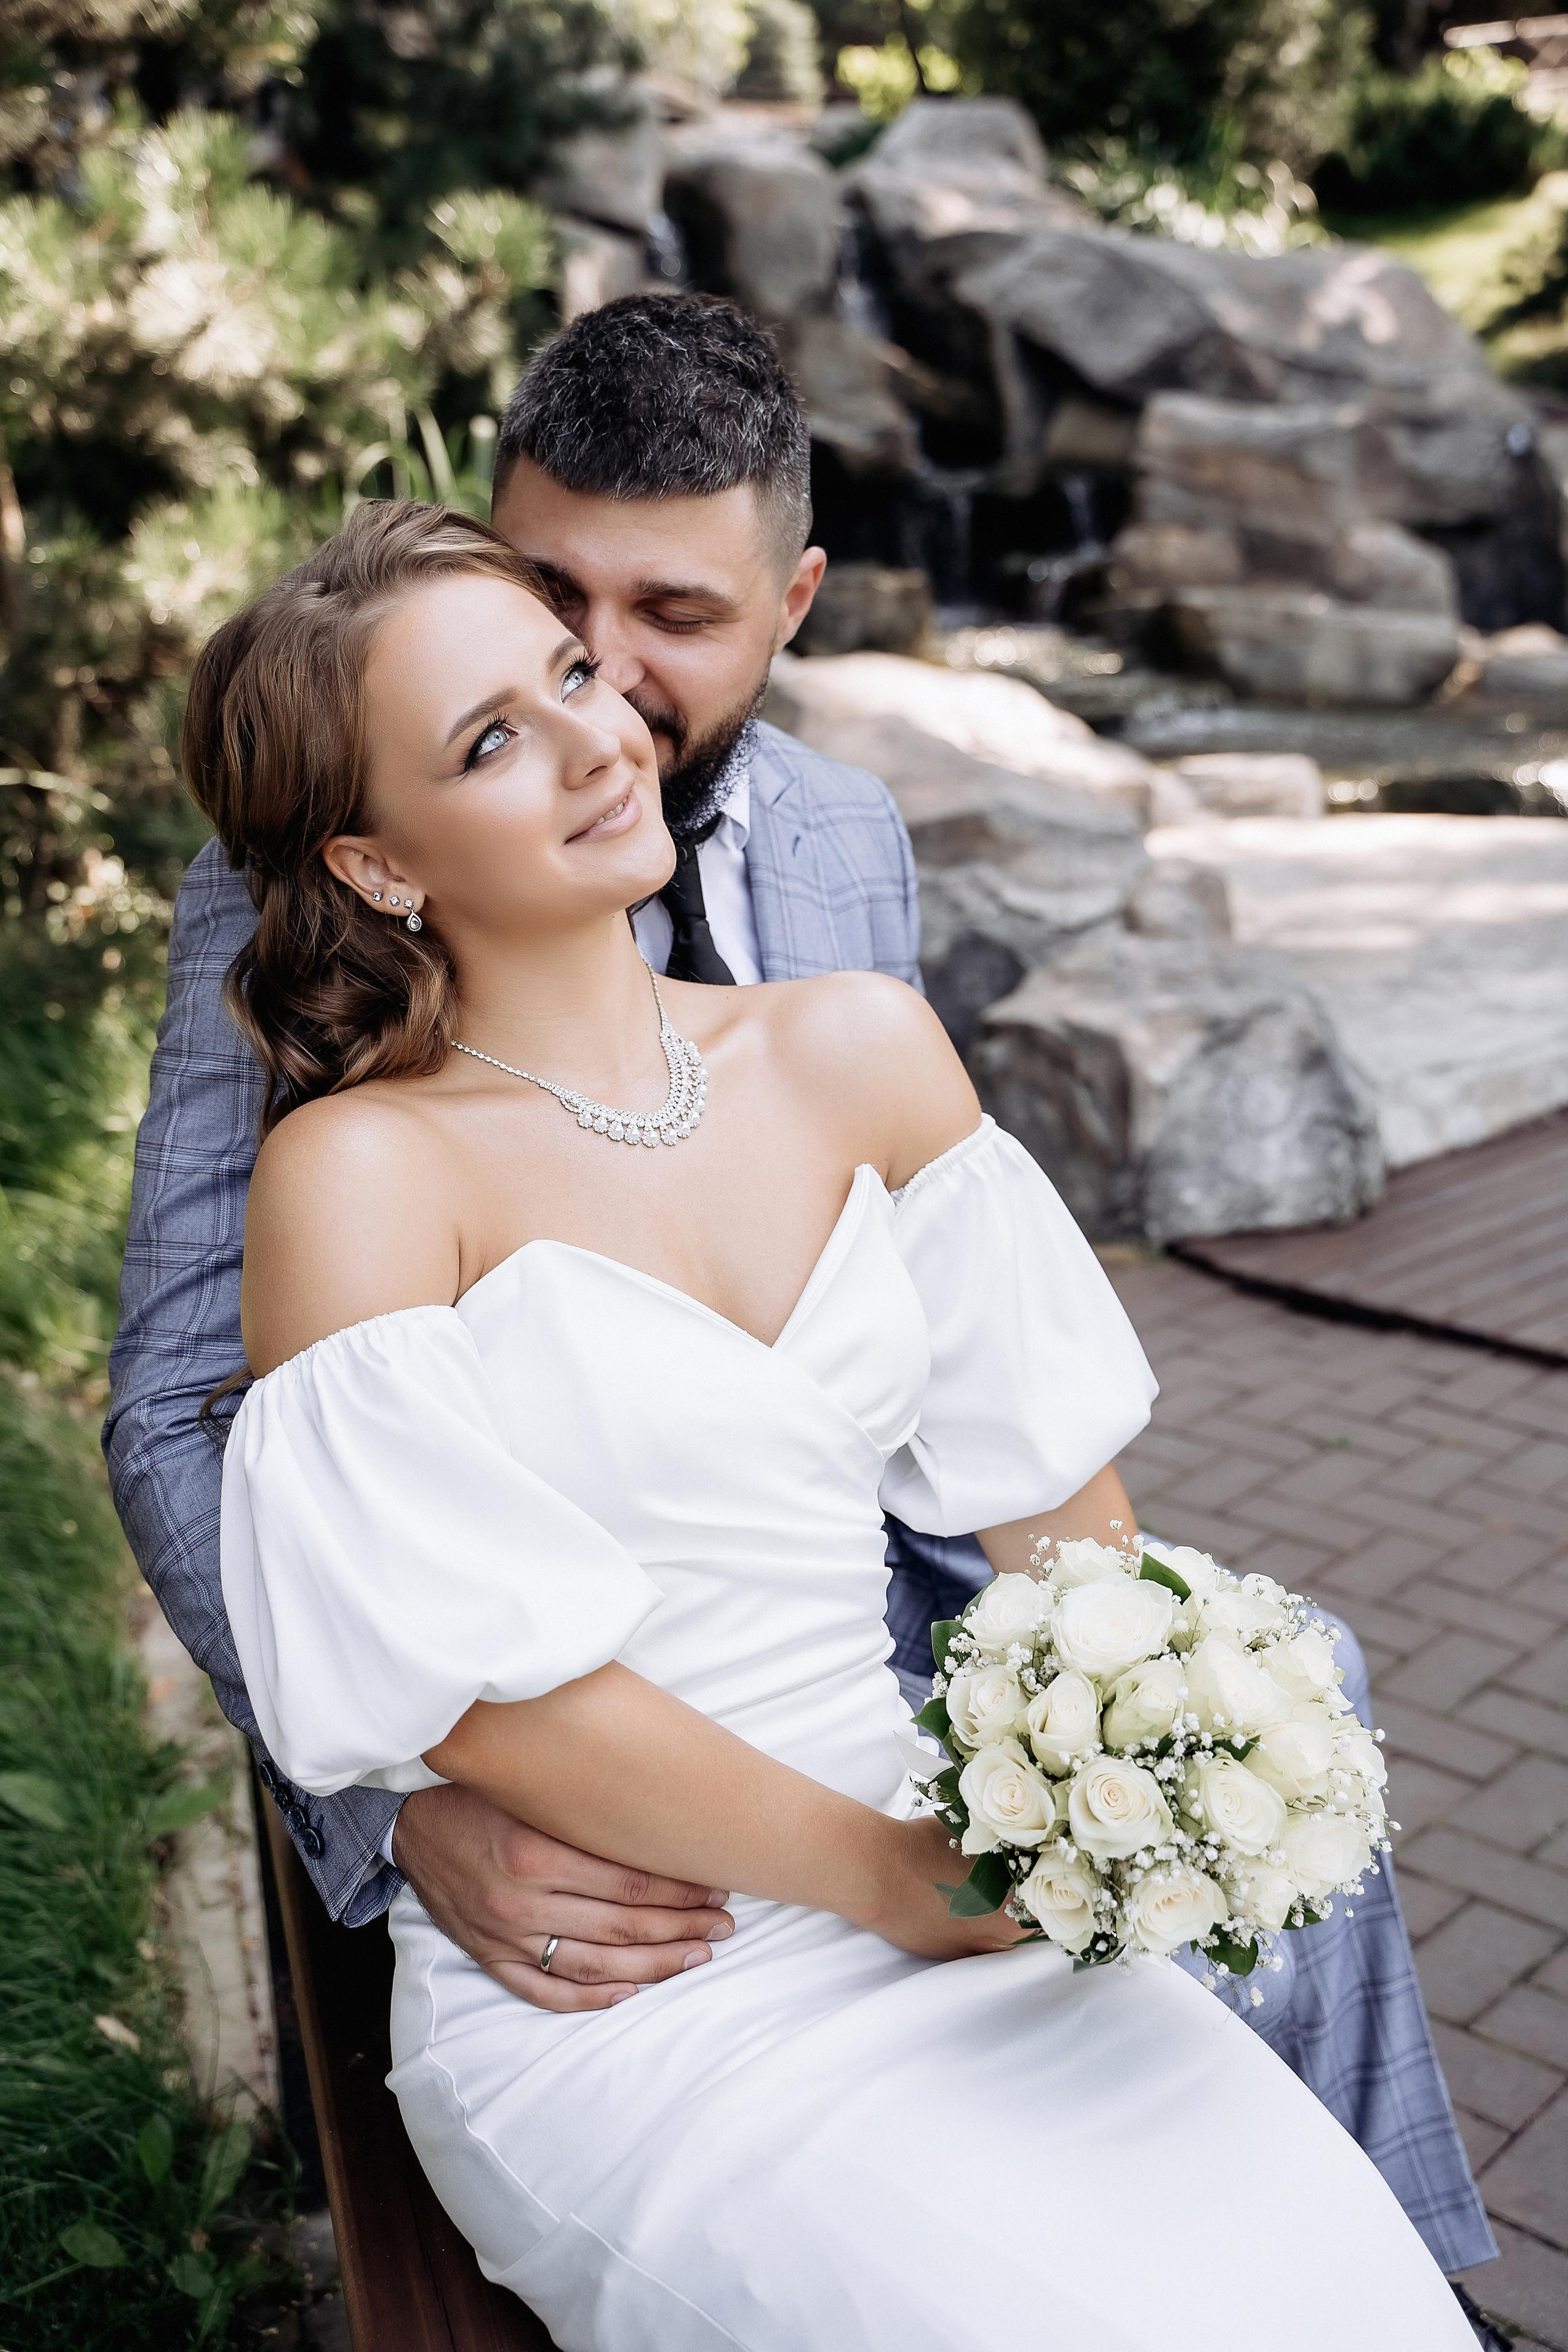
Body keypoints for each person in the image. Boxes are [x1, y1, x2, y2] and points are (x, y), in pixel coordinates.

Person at [104, 292, 1493, 2298]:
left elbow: (1040, 1484)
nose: (605, 722)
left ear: (794, 601)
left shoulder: (847, 980)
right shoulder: (357, 1151)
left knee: (1313, 2228)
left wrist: (1101, 1750)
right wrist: (399, 1815)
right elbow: (199, 1434)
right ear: (375, 862)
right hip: (643, 1938)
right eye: (503, 714)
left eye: (610, 649)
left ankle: (1408, 2243)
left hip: (907, 1751)